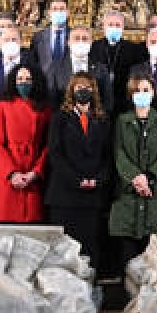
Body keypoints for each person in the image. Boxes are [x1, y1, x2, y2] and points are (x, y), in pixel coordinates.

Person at [45, 73, 113, 270]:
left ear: (94, 91)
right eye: (79, 88)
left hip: (92, 196)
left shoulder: (102, 119)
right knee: (64, 250)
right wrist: (76, 180)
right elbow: (55, 154)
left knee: (90, 247)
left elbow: (108, 155)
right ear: (71, 91)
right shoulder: (59, 118)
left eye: (87, 88)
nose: (83, 91)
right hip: (65, 195)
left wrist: (98, 180)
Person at [109, 73, 157, 267]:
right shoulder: (122, 121)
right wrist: (136, 178)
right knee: (127, 263)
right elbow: (118, 153)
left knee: (154, 266)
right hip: (127, 197)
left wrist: (150, 178)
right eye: (137, 90)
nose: (142, 93)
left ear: (153, 92)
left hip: (156, 197)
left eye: (146, 90)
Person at [0, 63, 52, 222]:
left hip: (32, 175)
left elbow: (48, 146)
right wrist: (12, 173)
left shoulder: (45, 108)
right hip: (7, 175)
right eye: (19, 79)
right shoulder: (3, 105)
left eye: (28, 79)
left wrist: (35, 172)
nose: (23, 83)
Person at [49, 25, 113, 111]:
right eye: (76, 38)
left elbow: (107, 101)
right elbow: (52, 100)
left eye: (85, 39)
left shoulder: (101, 69)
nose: (81, 42)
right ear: (68, 42)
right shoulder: (56, 68)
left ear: (91, 42)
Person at [93, 10, 144, 107]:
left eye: (117, 25)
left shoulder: (133, 49)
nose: (114, 28)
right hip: (99, 99)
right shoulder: (94, 47)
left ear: (123, 27)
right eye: (110, 24)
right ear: (103, 27)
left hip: (124, 99)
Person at [0, 25, 33, 102]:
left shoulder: (32, 65)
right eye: (6, 40)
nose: (10, 43)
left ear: (21, 42)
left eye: (14, 39)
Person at [31, 0, 71, 84]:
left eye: (62, 9)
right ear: (49, 12)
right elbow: (34, 63)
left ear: (68, 12)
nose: (58, 12)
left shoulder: (74, 35)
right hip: (45, 84)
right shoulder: (38, 37)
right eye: (55, 9)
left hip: (69, 84)